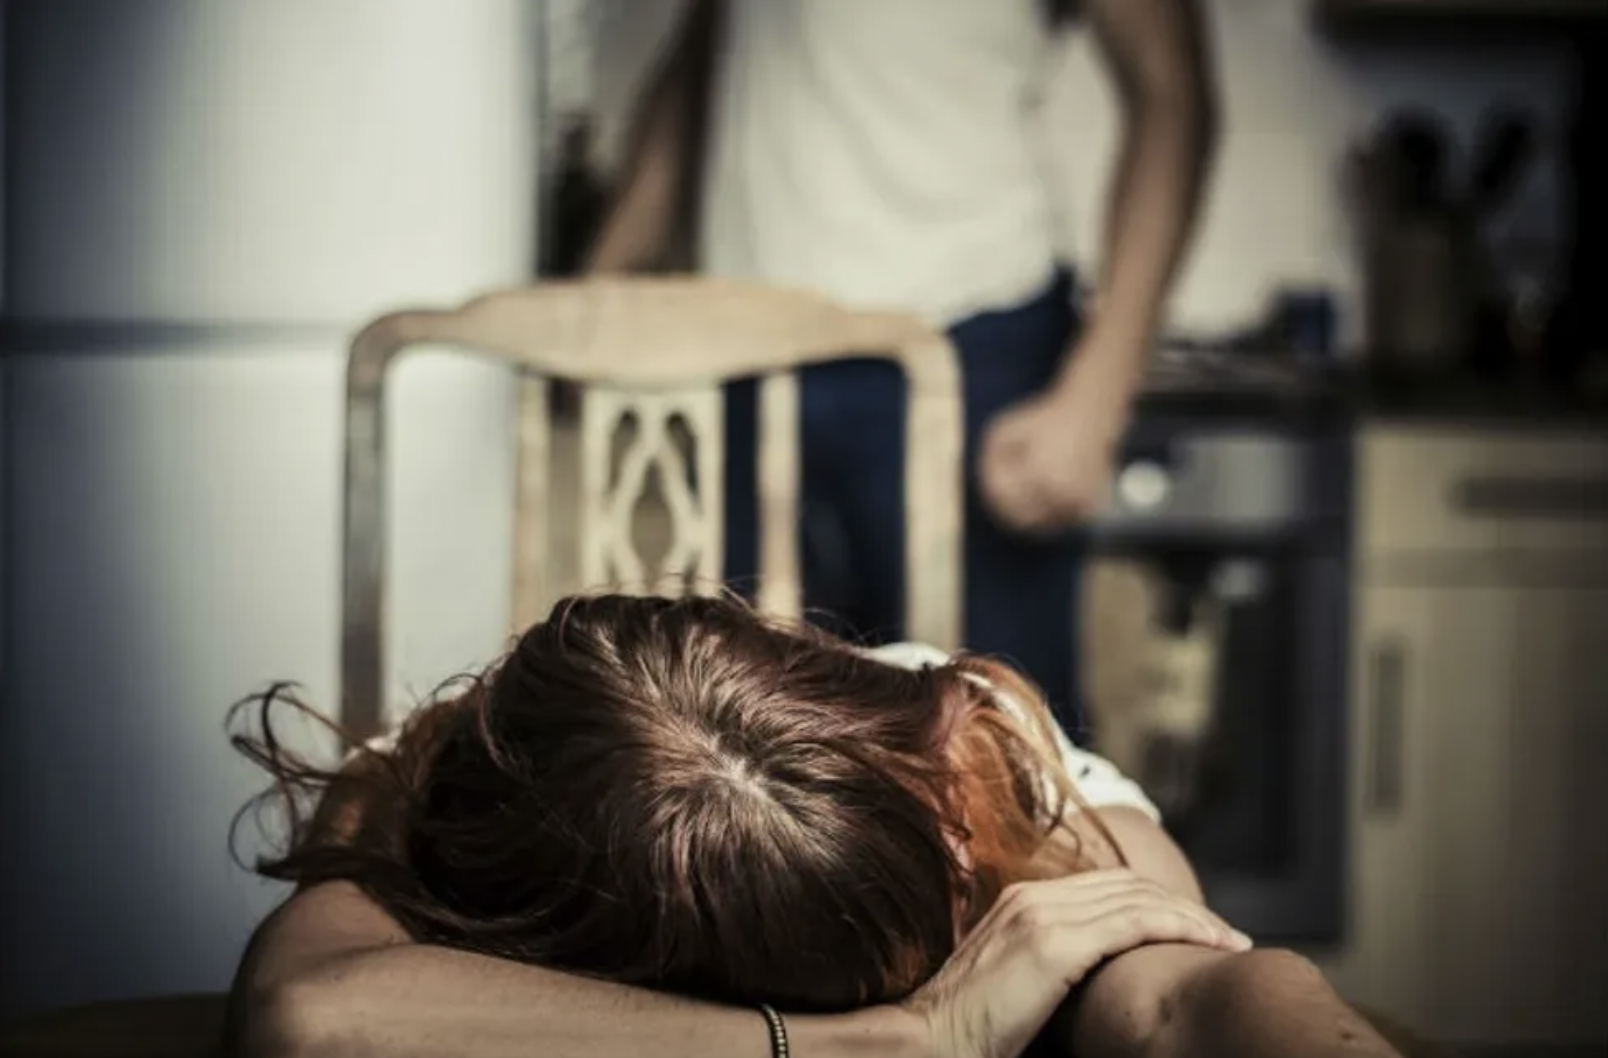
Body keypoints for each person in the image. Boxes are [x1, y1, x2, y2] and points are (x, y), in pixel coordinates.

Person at [223, 593, 1404, 1058]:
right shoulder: (446, 793)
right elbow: (314, 1017)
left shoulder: (999, 760)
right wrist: (897, 1037)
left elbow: (1192, 997)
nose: (964, 851)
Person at [584, 0, 1219, 736]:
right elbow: (707, 58)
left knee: (992, 744)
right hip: (747, 365)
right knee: (747, 738)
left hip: (968, 345)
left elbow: (1172, 93)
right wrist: (599, 288)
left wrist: (1097, 398)